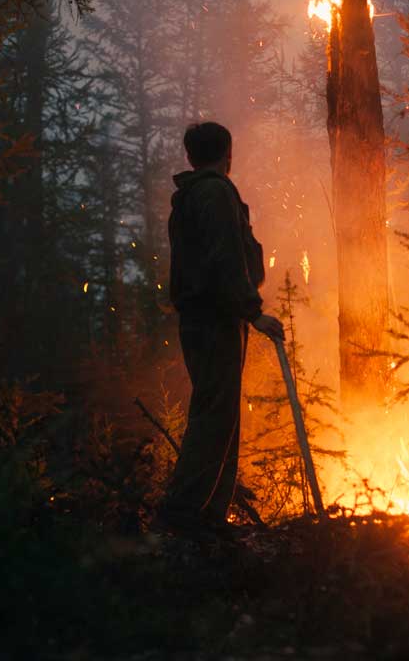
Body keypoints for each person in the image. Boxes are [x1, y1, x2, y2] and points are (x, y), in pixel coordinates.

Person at [156, 121, 283, 537]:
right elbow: (225, 257)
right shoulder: (215, 192)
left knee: (221, 414)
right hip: (216, 318)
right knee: (214, 416)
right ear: (228, 153)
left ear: (191, 155)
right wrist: (253, 312)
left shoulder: (190, 195)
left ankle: (208, 518)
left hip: (204, 318)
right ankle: (182, 518)